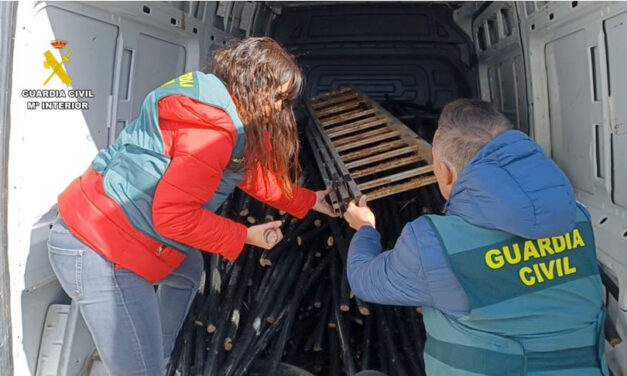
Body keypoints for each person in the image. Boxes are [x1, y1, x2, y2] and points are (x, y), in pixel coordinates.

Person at [47, 37, 335, 375]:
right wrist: (244, 237)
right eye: (278, 97)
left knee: (187, 267)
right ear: (254, 83)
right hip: (101, 251)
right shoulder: (210, 129)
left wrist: (308, 200)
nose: (279, 108)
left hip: (115, 226)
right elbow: (173, 219)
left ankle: (160, 357)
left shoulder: (218, 100)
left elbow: (243, 171)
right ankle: (149, 363)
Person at [343, 99, 609, 375]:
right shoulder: (578, 217)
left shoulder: (433, 244)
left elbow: (365, 280)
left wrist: (365, 229)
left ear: (445, 174)